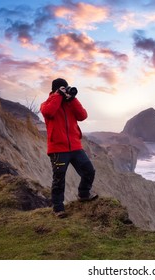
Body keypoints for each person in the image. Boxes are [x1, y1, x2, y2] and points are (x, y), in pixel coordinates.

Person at [40, 78, 97, 218]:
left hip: (75, 146)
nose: (66, 92)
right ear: (55, 90)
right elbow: (48, 113)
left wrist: (72, 99)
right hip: (58, 149)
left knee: (89, 171)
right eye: (63, 89)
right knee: (59, 179)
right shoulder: (47, 104)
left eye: (66, 88)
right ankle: (58, 209)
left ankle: (83, 194)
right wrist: (57, 96)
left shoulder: (70, 104)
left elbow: (83, 116)